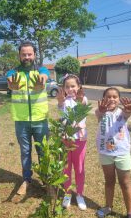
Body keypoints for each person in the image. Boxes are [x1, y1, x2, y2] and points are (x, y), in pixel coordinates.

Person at [6, 41, 50, 195]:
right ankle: (26, 179)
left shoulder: (41, 70)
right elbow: (10, 81)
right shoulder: (13, 72)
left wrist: (42, 80)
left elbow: (45, 75)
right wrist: (12, 86)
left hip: (40, 119)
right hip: (21, 120)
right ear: (19, 55)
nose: (26, 57)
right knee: (25, 151)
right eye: (23, 54)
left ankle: (46, 180)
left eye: (29, 54)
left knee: (43, 151)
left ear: (35, 55)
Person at [95, 87, 131, 218]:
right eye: (108, 96)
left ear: (119, 99)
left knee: (125, 183)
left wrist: (129, 112)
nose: (111, 99)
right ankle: (108, 207)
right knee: (109, 181)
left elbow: (127, 114)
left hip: (121, 153)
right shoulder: (101, 111)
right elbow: (98, 114)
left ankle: (130, 213)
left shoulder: (122, 112)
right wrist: (101, 111)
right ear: (103, 99)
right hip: (105, 153)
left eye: (115, 97)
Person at [56, 74, 88, 210]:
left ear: (79, 86)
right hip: (65, 139)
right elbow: (60, 109)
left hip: (79, 139)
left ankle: (79, 194)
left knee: (79, 168)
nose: (70, 89)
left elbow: (83, 107)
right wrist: (60, 101)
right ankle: (67, 194)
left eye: (73, 86)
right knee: (66, 169)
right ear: (63, 88)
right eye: (67, 86)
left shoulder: (83, 99)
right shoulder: (63, 100)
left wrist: (80, 101)